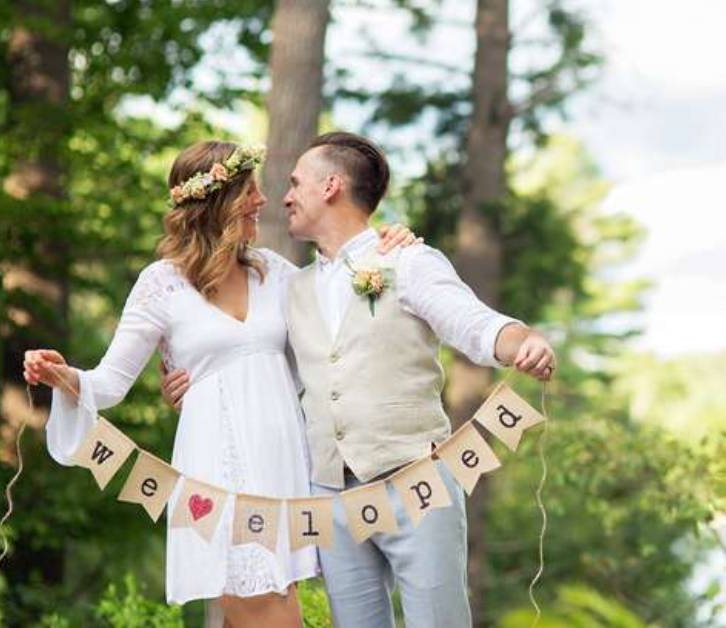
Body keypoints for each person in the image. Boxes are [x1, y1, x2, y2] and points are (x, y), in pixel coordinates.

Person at [162, 131, 558, 627]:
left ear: (331, 186)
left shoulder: (408, 261)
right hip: (331, 498)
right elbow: (249, 362)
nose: (281, 196)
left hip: (418, 482)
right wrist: (191, 384)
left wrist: (523, 341)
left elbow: (474, 322)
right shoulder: (288, 285)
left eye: (295, 183)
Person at [22, 140, 418, 627]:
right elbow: (109, 384)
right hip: (217, 476)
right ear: (219, 201)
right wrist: (67, 377)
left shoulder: (275, 273)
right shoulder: (160, 284)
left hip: (284, 475)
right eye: (250, 190)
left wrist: (386, 244)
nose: (263, 201)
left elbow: (337, 310)